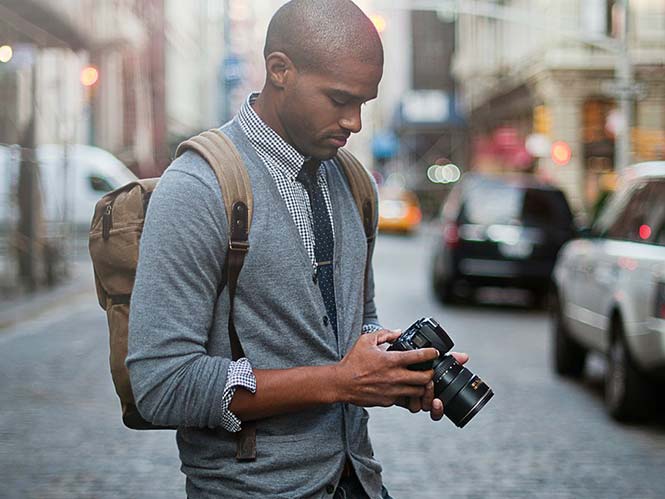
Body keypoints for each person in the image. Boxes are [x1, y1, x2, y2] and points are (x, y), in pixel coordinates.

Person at [127, 1, 467, 497]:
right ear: (279, 70)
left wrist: (393, 370)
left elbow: (356, 322)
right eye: (338, 99)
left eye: (364, 104)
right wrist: (341, 381)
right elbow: (161, 383)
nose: (353, 122)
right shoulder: (198, 189)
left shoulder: (353, 182)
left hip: (359, 483)